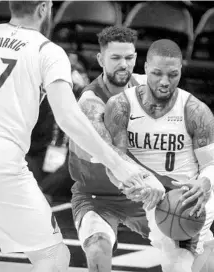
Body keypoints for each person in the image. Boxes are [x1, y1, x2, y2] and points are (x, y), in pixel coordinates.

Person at [0, 1, 154, 271]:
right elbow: (68, 117)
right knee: (53, 258)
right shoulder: (47, 51)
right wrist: (118, 165)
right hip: (0, 160)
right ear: (44, 8)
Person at [104, 39, 214, 272]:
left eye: (172, 74)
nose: (164, 82)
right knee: (204, 260)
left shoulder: (196, 111)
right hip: (154, 200)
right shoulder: (121, 107)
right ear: (145, 68)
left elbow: (213, 167)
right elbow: (114, 161)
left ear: (181, 70)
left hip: (191, 201)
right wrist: (128, 184)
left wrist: (205, 182)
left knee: (177, 258)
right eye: (157, 73)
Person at [68, 26, 166, 272]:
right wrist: (147, 178)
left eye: (129, 57)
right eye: (115, 58)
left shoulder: (149, 90)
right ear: (101, 59)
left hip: (142, 194)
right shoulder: (90, 102)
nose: (124, 64)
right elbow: (108, 152)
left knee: (200, 247)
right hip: (97, 194)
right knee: (98, 248)